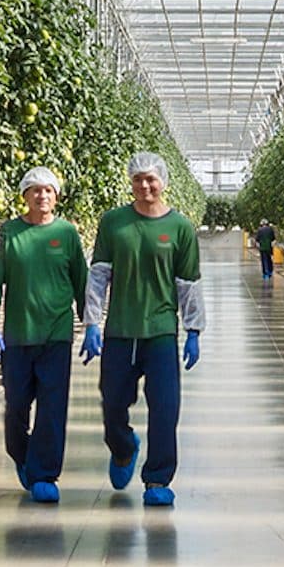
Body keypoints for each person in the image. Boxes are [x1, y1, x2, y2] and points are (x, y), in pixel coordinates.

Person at [81, 152, 204, 508]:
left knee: (165, 409)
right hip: (120, 331)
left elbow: (188, 283)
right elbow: (99, 274)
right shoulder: (113, 223)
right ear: (131, 183)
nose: (145, 186)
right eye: (138, 180)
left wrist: (194, 330)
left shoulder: (179, 227)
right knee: (112, 404)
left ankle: (158, 479)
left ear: (163, 182)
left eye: (151, 179)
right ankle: (122, 448)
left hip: (162, 332)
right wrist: (92, 322)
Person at [0, 167, 88, 503]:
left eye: (48, 191)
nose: (42, 196)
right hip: (18, 335)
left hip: (56, 333)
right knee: (16, 407)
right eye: (35, 190)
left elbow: (81, 280)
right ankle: (21, 454)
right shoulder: (9, 233)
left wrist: (93, 322)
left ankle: (45, 474)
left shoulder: (67, 234)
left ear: (56, 196)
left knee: (52, 408)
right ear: (24, 196)